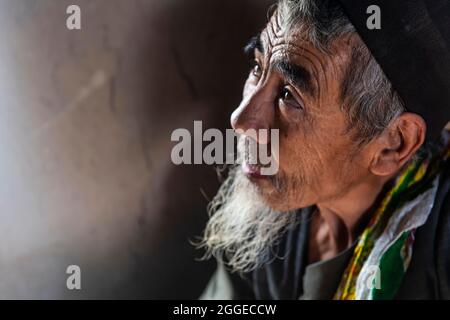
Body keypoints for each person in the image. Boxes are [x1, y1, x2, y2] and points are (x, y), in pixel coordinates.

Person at [198, 0, 450, 300]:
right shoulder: (265, 220)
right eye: (257, 67)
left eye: (290, 95)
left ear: (394, 145)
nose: (241, 120)